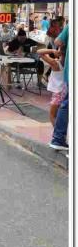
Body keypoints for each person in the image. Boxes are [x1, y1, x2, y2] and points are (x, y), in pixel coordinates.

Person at [49, 24, 69, 153]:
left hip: (57, 93)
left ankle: (58, 138)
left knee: (58, 110)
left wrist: (54, 51)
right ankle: (58, 138)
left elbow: (57, 41)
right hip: (60, 91)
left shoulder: (56, 64)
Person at [38, 49, 65, 125]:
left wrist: (52, 50)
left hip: (58, 94)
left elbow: (39, 52)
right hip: (66, 92)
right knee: (63, 115)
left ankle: (58, 134)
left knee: (52, 115)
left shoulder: (55, 63)